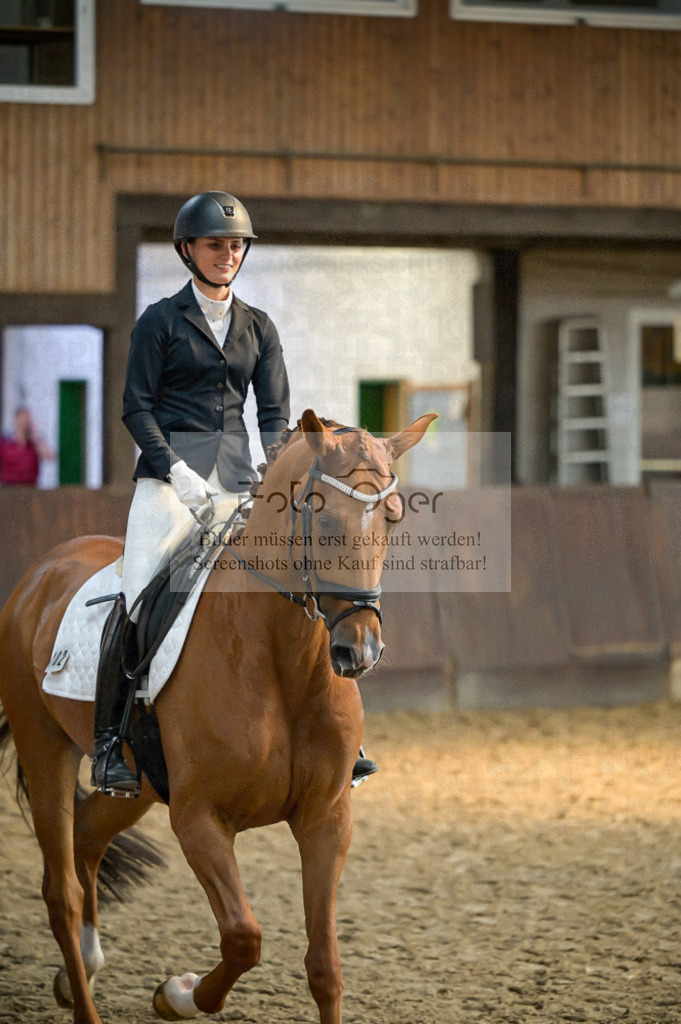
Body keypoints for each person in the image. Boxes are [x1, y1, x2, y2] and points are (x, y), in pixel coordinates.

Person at [91, 191, 291, 796]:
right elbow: (136, 408)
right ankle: (108, 743)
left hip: (237, 484)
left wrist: (272, 469)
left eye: (235, 246)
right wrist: (176, 471)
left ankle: (331, 733)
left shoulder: (259, 326)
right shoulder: (160, 320)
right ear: (188, 250)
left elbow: (275, 411)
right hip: (168, 484)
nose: (227, 254)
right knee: (137, 595)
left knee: (298, 586)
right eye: (215, 244)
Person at [0, 406, 53, 486]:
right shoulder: (4, 443)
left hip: (30, 487)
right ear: (16, 419)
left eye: (27, 420)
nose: (25, 423)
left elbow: (49, 457)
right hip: (9, 487)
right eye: (23, 420)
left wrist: (35, 437)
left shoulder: (35, 443)